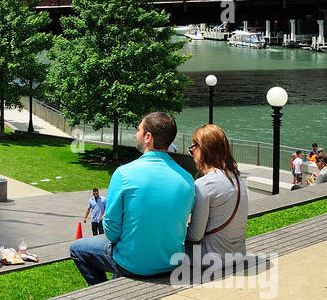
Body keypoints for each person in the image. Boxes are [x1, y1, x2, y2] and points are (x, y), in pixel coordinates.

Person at [69, 112, 195, 285]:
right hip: (171, 262)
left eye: (139, 130)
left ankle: (102, 292)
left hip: (134, 265)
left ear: (148, 137)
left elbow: (112, 233)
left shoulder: (124, 174)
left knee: (77, 248)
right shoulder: (187, 179)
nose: (136, 134)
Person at [185, 125, 249, 260]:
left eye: (193, 148)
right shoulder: (238, 179)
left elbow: (195, 235)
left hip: (209, 258)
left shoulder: (204, 185)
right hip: (238, 255)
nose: (192, 153)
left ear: (203, 149)